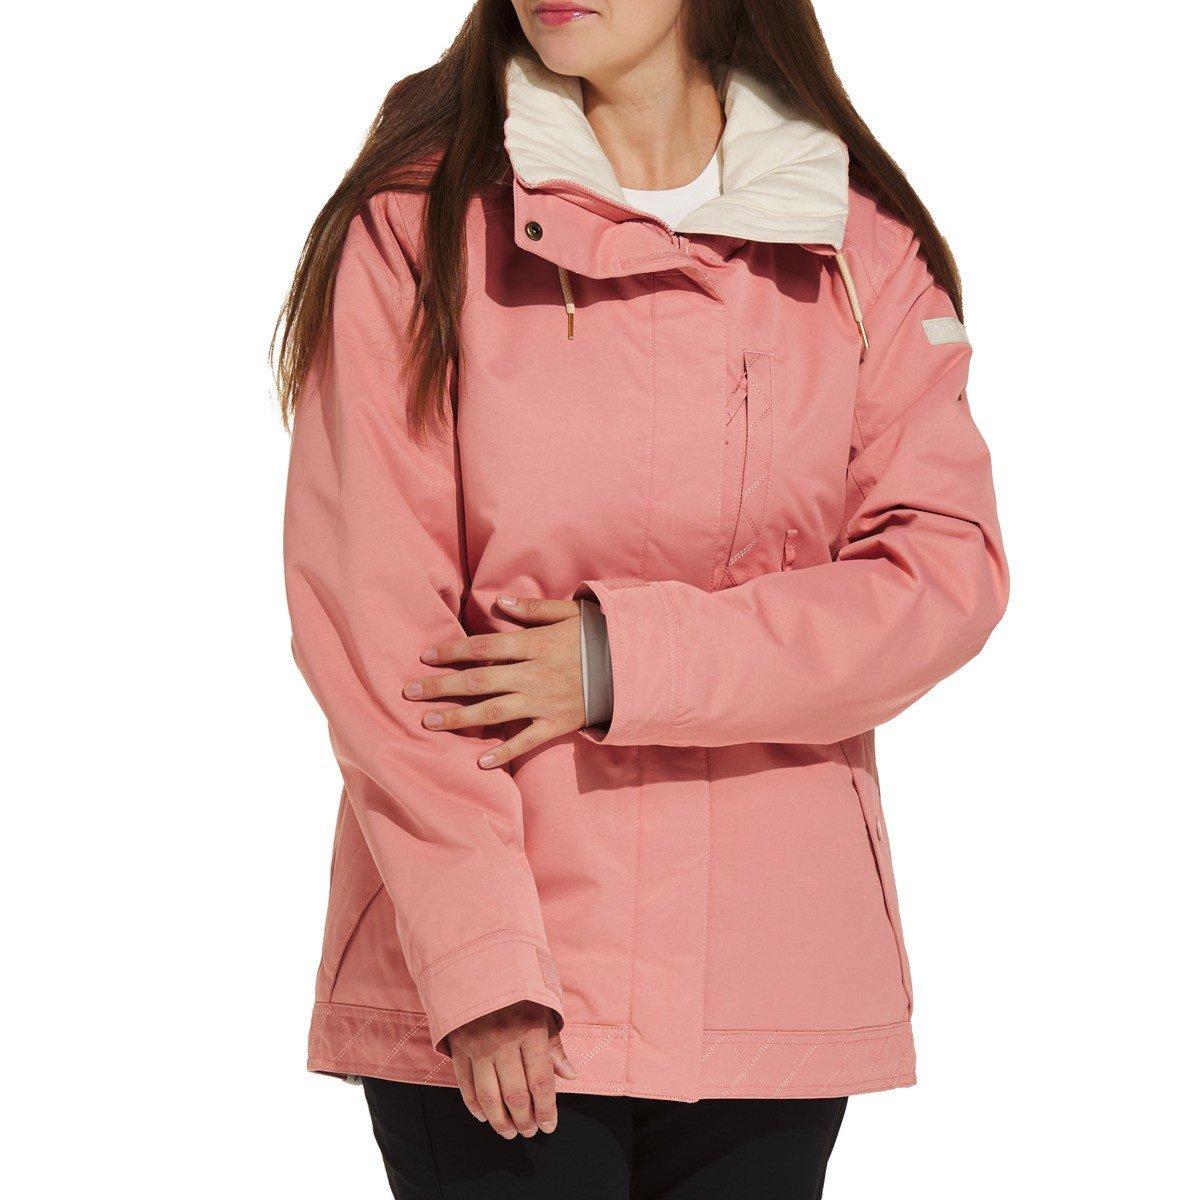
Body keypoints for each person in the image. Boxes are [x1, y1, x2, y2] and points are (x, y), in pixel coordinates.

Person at [278, 1, 1008, 1195]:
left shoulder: (850, 243)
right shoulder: (421, 225)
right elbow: (377, 630)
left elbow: (941, 574)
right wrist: (480, 959)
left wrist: (623, 661)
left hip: (767, 987)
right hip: (506, 985)